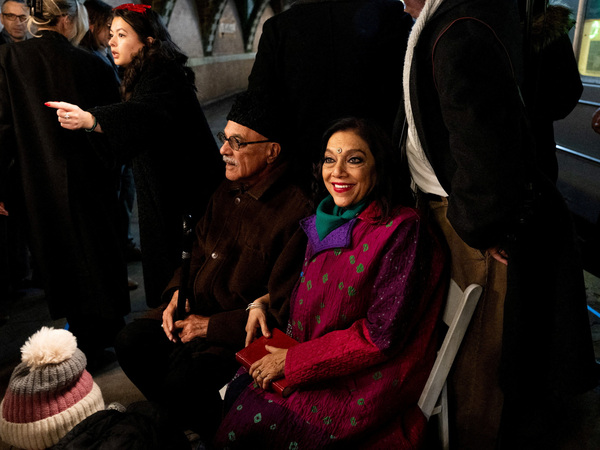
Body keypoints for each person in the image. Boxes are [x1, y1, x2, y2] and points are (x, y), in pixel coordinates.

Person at [400, 0, 597, 448]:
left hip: (485, 196)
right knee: (505, 336)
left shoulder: (464, 26)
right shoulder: (511, 16)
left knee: (482, 349)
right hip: (500, 185)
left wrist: (481, 221)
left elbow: (486, 143)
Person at [213, 117, 448, 449]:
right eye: (329, 159)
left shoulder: (402, 230)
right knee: (234, 395)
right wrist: (263, 302)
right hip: (314, 360)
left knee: (252, 427)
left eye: (354, 159)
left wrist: (291, 362)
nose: (337, 171)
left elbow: (381, 337)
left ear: (378, 168)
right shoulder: (326, 218)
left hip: (362, 383)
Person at [113, 89, 313, 443]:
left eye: (237, 142)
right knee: (131, 341)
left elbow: (282, 309)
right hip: (193, 313)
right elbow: (197, 249)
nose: (223, 150)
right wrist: (178, 293)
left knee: (182, 378)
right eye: (225, 137)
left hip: (232, 337)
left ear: (272, 151)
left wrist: (209, 328)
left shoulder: (295, 211)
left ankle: (207, 429)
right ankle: (179, 419)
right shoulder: (227, 187)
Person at [46, 3, 223, 307]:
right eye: (111, 34)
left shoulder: (162, 73)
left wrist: (90, 119)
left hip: (184, 198)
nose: (112, 41)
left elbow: (144, 115)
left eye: (122, 34)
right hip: (167, 193)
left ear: (148, 41)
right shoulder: (144, 71)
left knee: (180, 274)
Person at [0, 0, 129, 363]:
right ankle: (106, 328)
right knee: (98, 253)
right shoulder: (91, 63)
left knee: (58, 256)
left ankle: (78, 329)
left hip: (37, 180)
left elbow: (3, 129)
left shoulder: (8, 61)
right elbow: (111, 128)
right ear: (68, 19)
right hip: (91, 180)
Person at [245, 0, 414, 185]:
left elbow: (257, 109)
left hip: (304, 176)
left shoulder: (279, 28)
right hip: (379, 169)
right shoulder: (392, 17)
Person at [519, 0, 582, 183]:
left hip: (493, 151)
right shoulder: (551, 29)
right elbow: (571, 91)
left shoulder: (487, 25)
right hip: (540, 146)